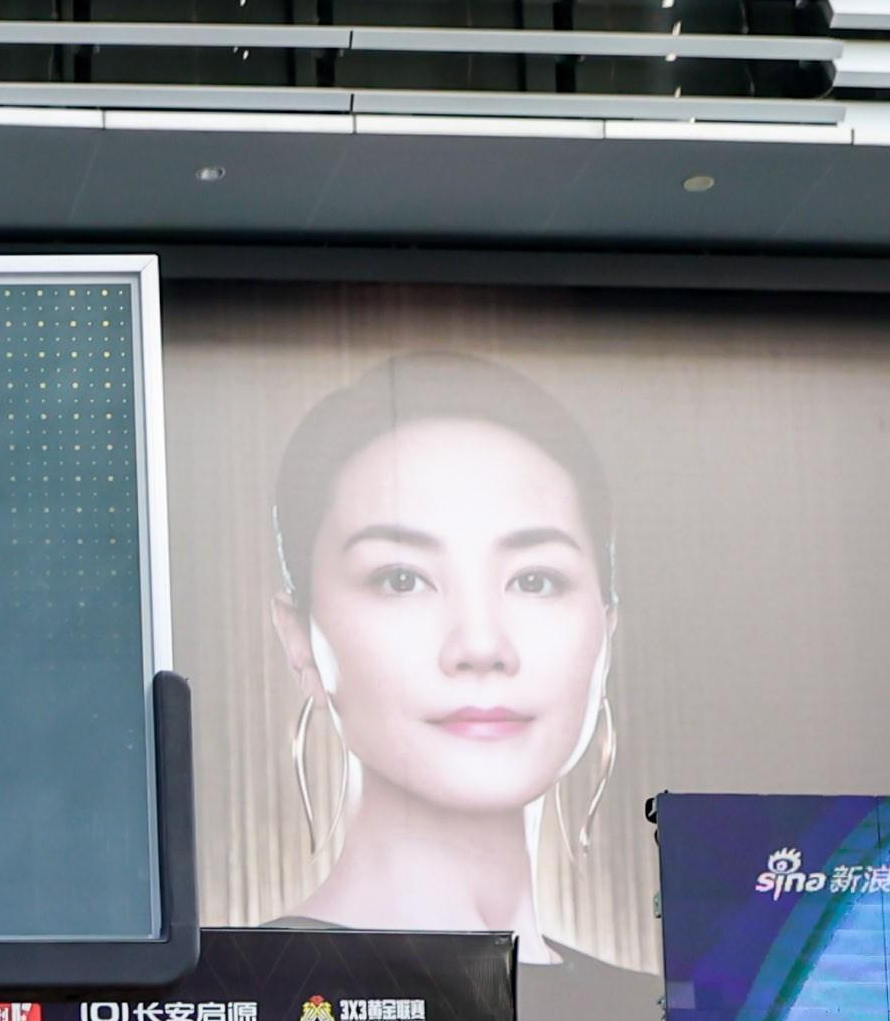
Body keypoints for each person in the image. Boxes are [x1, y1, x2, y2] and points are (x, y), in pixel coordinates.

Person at [261, 354, 633, 962]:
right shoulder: (237, 996)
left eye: (535, 580)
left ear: (605, 634)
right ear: (299, 637)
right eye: (401, 579)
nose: (481, 647)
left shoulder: (665, 1014)